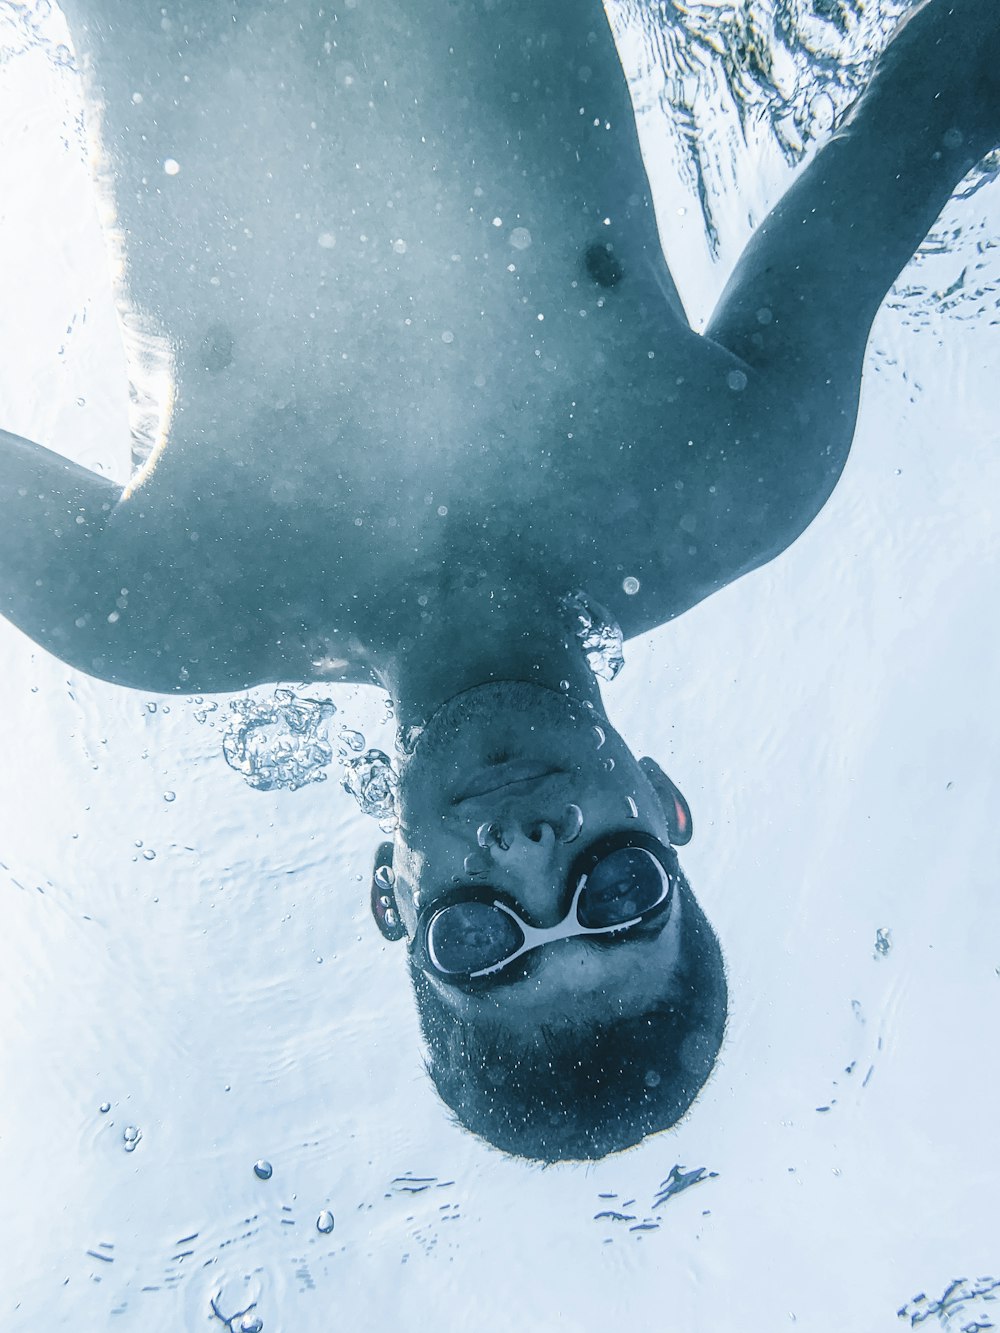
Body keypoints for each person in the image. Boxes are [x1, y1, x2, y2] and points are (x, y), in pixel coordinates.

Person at [1, 0, 996, 1161]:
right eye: (615, 890)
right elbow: (947, 88)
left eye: (483, 936)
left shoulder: (172, 613)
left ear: (395, 900)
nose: (528, 849)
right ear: (665, 811)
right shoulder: (732, 480)